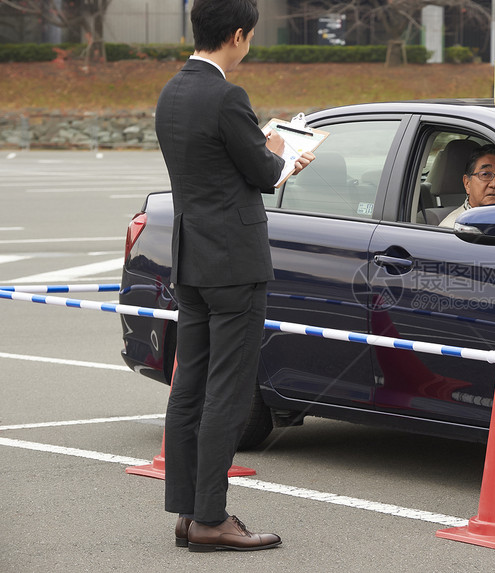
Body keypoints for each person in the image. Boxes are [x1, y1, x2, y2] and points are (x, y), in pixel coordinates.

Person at [154, 0, 313, 553]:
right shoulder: (227, 96)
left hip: (192, 258)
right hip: (234, 264)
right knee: (228, 389)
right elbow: (266, 172)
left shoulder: (173, 91)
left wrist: (266, 155)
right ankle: (212, 517)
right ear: (239, 35)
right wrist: (285, 154)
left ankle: (188, 512)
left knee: (189, 386)